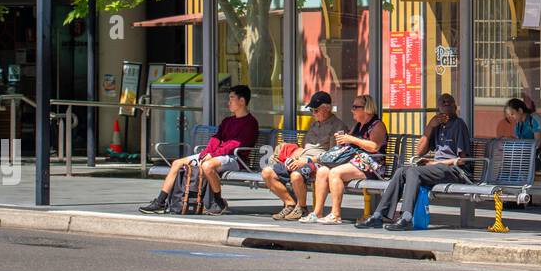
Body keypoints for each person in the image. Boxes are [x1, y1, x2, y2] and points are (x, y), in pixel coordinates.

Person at [355, 93, 471, 231]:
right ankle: (379, 215)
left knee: (413, 171)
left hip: (456, 172)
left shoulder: (459, 124)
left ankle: (406, 217)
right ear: (438, 108)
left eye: (449, 103)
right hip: (438, 170)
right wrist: (430, 126)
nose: (445, 105)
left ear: (455, 107)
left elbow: (462, 161)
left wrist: (433, 163)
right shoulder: (438, 126)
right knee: (401, 171)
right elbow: (419, 151)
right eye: (442, 103)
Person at [139, 85, 258, 216]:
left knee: (207, 166)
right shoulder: (227, 121)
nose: (228, 102)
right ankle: (160, 202)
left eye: (231, 98)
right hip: (217, 156)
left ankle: (219, 202)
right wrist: (206, 153)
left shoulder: (250, 123)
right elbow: (216, 139)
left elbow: (235, 144)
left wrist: (212, 155)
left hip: (236, 159)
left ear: (242, 101)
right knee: (177, 163)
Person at [261, 90, 347, 221]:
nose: (313, 114)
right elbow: (305, 147)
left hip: (318, 163)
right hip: (302, 160)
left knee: (296, 176)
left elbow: (333, 155)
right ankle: (290, 204)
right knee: (267, 172)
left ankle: (301, 207)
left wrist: (306, 160)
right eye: (311, 110)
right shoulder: (313, 124)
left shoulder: (338, 126)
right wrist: (294, 156)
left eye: (316, 110)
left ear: (327, 108)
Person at [307, 94, 387, 224]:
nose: (352, 110)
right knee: (322, 171)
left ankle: (335, 215)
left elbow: (374, 146)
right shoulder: (358, 125)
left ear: (366, 109)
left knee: (335, 172)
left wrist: (351, 139)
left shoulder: (377, 125)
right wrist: (343, 141)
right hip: (355, 161)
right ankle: (317, 213)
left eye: (356, 107)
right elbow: (349, 144)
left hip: (372, 164)